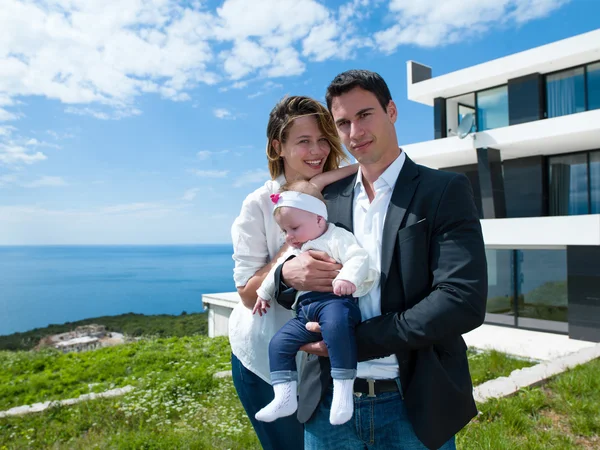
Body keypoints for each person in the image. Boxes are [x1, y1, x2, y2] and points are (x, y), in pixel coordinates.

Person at [274, 70, 488, 450]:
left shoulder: (444, 191)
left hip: (413, 403)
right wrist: (288, 275)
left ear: (391, 111)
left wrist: (357, 342)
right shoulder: (327, 200)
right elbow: (288, 278)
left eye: (365, 114)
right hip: (325, 408)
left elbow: (462, 300)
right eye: (343, 122)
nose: (354, 132)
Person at [229, 95, 355, 450]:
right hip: (264, 361)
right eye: (303, 141)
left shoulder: (344, 194)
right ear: (277, 147)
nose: (317, 150)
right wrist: (290, 250)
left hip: (326, 362)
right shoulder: (258, 204)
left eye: (323, 139)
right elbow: (248, 293)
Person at [251, 180, 377, 426]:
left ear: (319, 219)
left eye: (294, 228)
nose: (289, 237)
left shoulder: (336, 236)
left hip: (334, 302)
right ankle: (284, 396)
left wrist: (348, 278)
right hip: (305, 312)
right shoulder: (295, 249)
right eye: (285, 231)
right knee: (279, 343)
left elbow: (358, 257)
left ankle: (343, 389)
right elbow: (277, 270)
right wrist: (263, 294)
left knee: (337, 328)